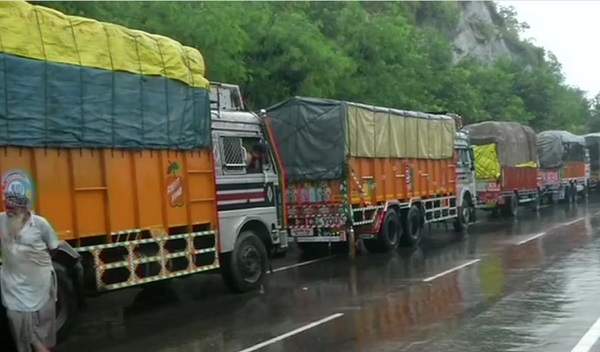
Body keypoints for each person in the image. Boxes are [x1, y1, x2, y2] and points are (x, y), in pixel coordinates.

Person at [0, 192, 60, 352]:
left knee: (44, 324)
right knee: (15, 317)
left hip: (39, 282)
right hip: (13, 283)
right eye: (6, 207)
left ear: (24, 208)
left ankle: (42, 346)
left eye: (12, 208)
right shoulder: (1, 220)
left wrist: (35, 262)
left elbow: (54, 247)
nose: (8, 211)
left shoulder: (40, 224)